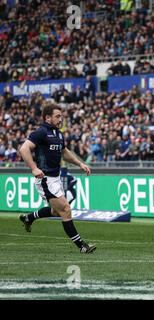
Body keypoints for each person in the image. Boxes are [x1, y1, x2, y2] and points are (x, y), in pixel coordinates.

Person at [18, 103, 96, 254]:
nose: (61, 119)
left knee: (55, 211)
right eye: (57, 116)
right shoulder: (41, 132)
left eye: (61, 116)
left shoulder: (59, 134)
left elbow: (64, 151)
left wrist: (80, 163)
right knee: (66, 209)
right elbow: (24, 149)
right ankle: (82, 246)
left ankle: (29, 218)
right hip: (45, 178)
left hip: (56, 178)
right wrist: (34, 168)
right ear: (48, 117)